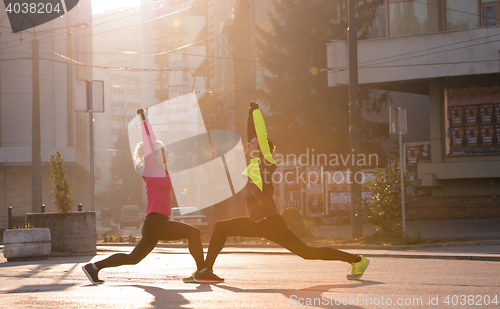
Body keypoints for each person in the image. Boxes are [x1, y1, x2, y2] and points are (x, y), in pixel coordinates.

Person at [202, 102, 369, 283]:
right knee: (221, 227)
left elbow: (259, 134)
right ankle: (205, 271)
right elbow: (253, 135)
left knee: (307, 253)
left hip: (271, 222)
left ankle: (357, 260)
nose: (248, 143)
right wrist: (249, 115)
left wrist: (256, 113)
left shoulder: (266, 163)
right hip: (256, 222)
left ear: (262, 149)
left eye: (252, 142)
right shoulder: (253, 165)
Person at [82, 108, 222, 284]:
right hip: (156, 222)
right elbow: (150, 144)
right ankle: (202, 271)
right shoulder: (152, 169)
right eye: (162, 150)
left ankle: (93, 268)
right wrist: (144, 120)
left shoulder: (162, 171)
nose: (166, 152)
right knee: (193, 233)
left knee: (133, 258)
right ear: (155, 154)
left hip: (156, 224)